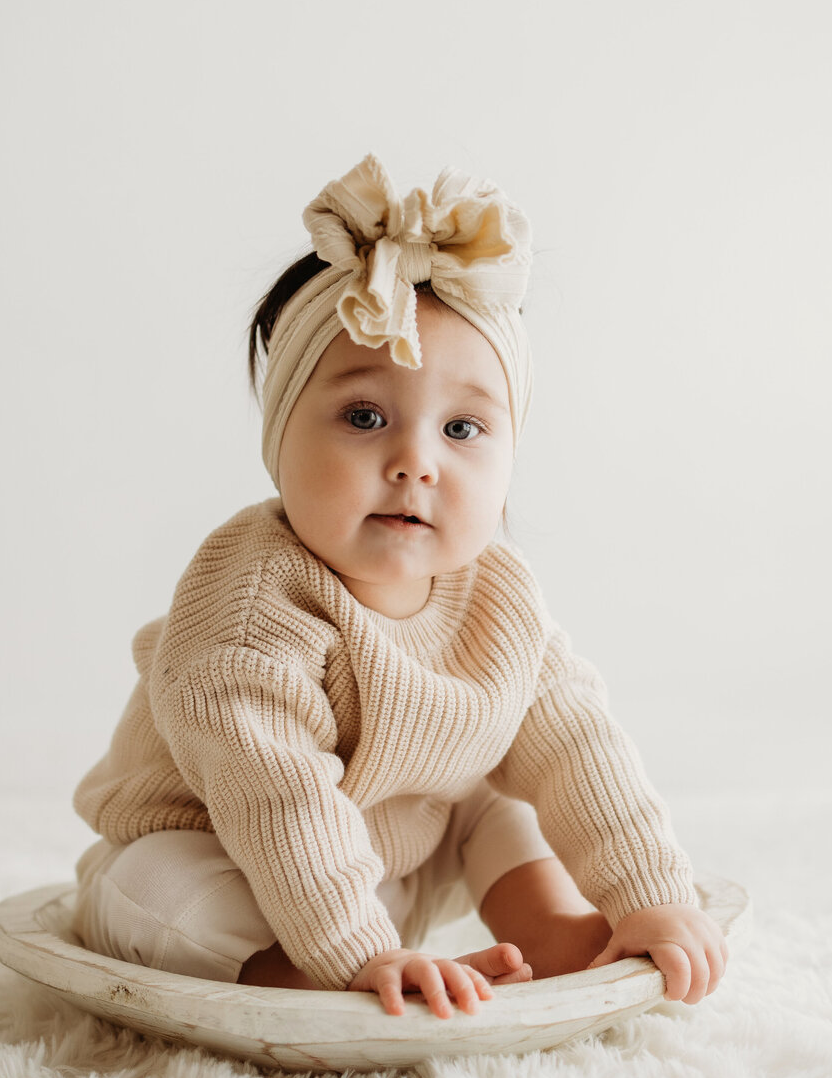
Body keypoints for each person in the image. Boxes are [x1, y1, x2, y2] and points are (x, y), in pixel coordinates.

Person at [71, 152, 728, 1020]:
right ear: (280, 438)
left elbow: (579, 746)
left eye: (462, 428)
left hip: (395, 874)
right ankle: (292, 980)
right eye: (366, 417)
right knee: (157, 890)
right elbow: (277, 794)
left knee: (497, 795)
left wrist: (651, 888)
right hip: (236, 858)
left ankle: (556, 931)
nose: (416, 461)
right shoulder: (250, 602)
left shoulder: (498, 595)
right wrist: (352, 951)